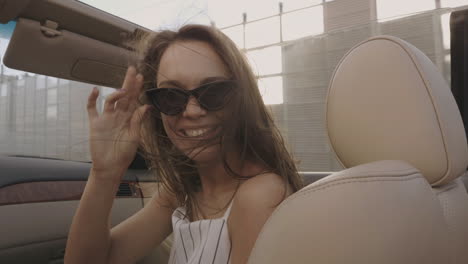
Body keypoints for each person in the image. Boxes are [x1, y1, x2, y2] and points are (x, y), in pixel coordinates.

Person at [64, 24, 303, 264]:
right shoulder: (183, 191)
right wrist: (104, 173)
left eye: (214, 92)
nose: (192, 111)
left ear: (243, 99)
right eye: (171, 96)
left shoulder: (260, 196)